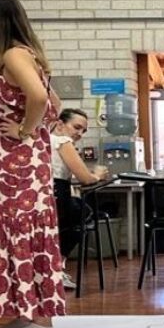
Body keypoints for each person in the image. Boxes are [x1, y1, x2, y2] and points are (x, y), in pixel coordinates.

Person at [0, 0, 66, 328]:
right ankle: (23, 310)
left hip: (18, 163)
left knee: (19, 228)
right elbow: (54, 104)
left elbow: (41, 100)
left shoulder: (13, 54)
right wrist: (34, 129)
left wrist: (25, 130)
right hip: (17, 160)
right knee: (14, 229)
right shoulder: (26, 54)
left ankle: (39, 319)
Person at [50, 108, 110, 290]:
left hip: (42, 191)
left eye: (83, 131)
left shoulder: (41, 140)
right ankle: (57, 268)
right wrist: (98, 175)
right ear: (60, 124)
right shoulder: (62, 141)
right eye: (77, 127)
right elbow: (85, 178)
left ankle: (51, 270)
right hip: (57, 190)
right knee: (82, 217)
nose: (79, 133)